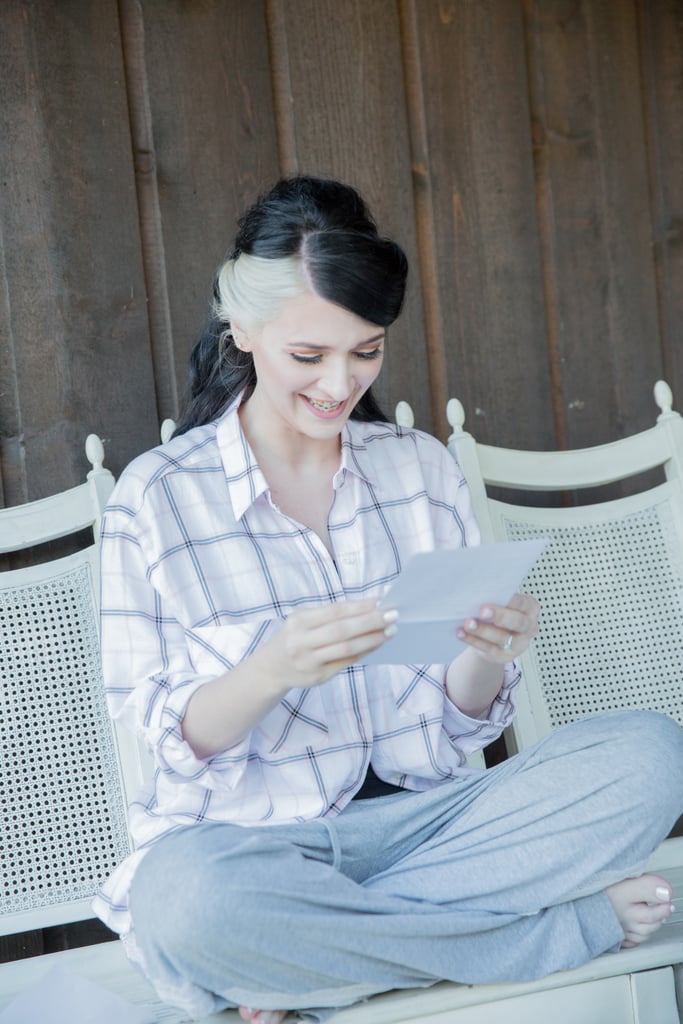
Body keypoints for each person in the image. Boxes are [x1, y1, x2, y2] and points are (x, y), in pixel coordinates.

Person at [93, 176, 683, 1024]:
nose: (340, 384)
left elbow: (462, 725)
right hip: (259, 852)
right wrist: (271, 670)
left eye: (365, 350)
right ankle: (552, 933)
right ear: (244, 330)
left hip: (436, 826)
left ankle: (305, 964)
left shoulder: (419, 468)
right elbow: (166, 746)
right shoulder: (156, 500)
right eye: (310, 356)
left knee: (651, 755)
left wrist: (484, 653)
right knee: (185, 904)